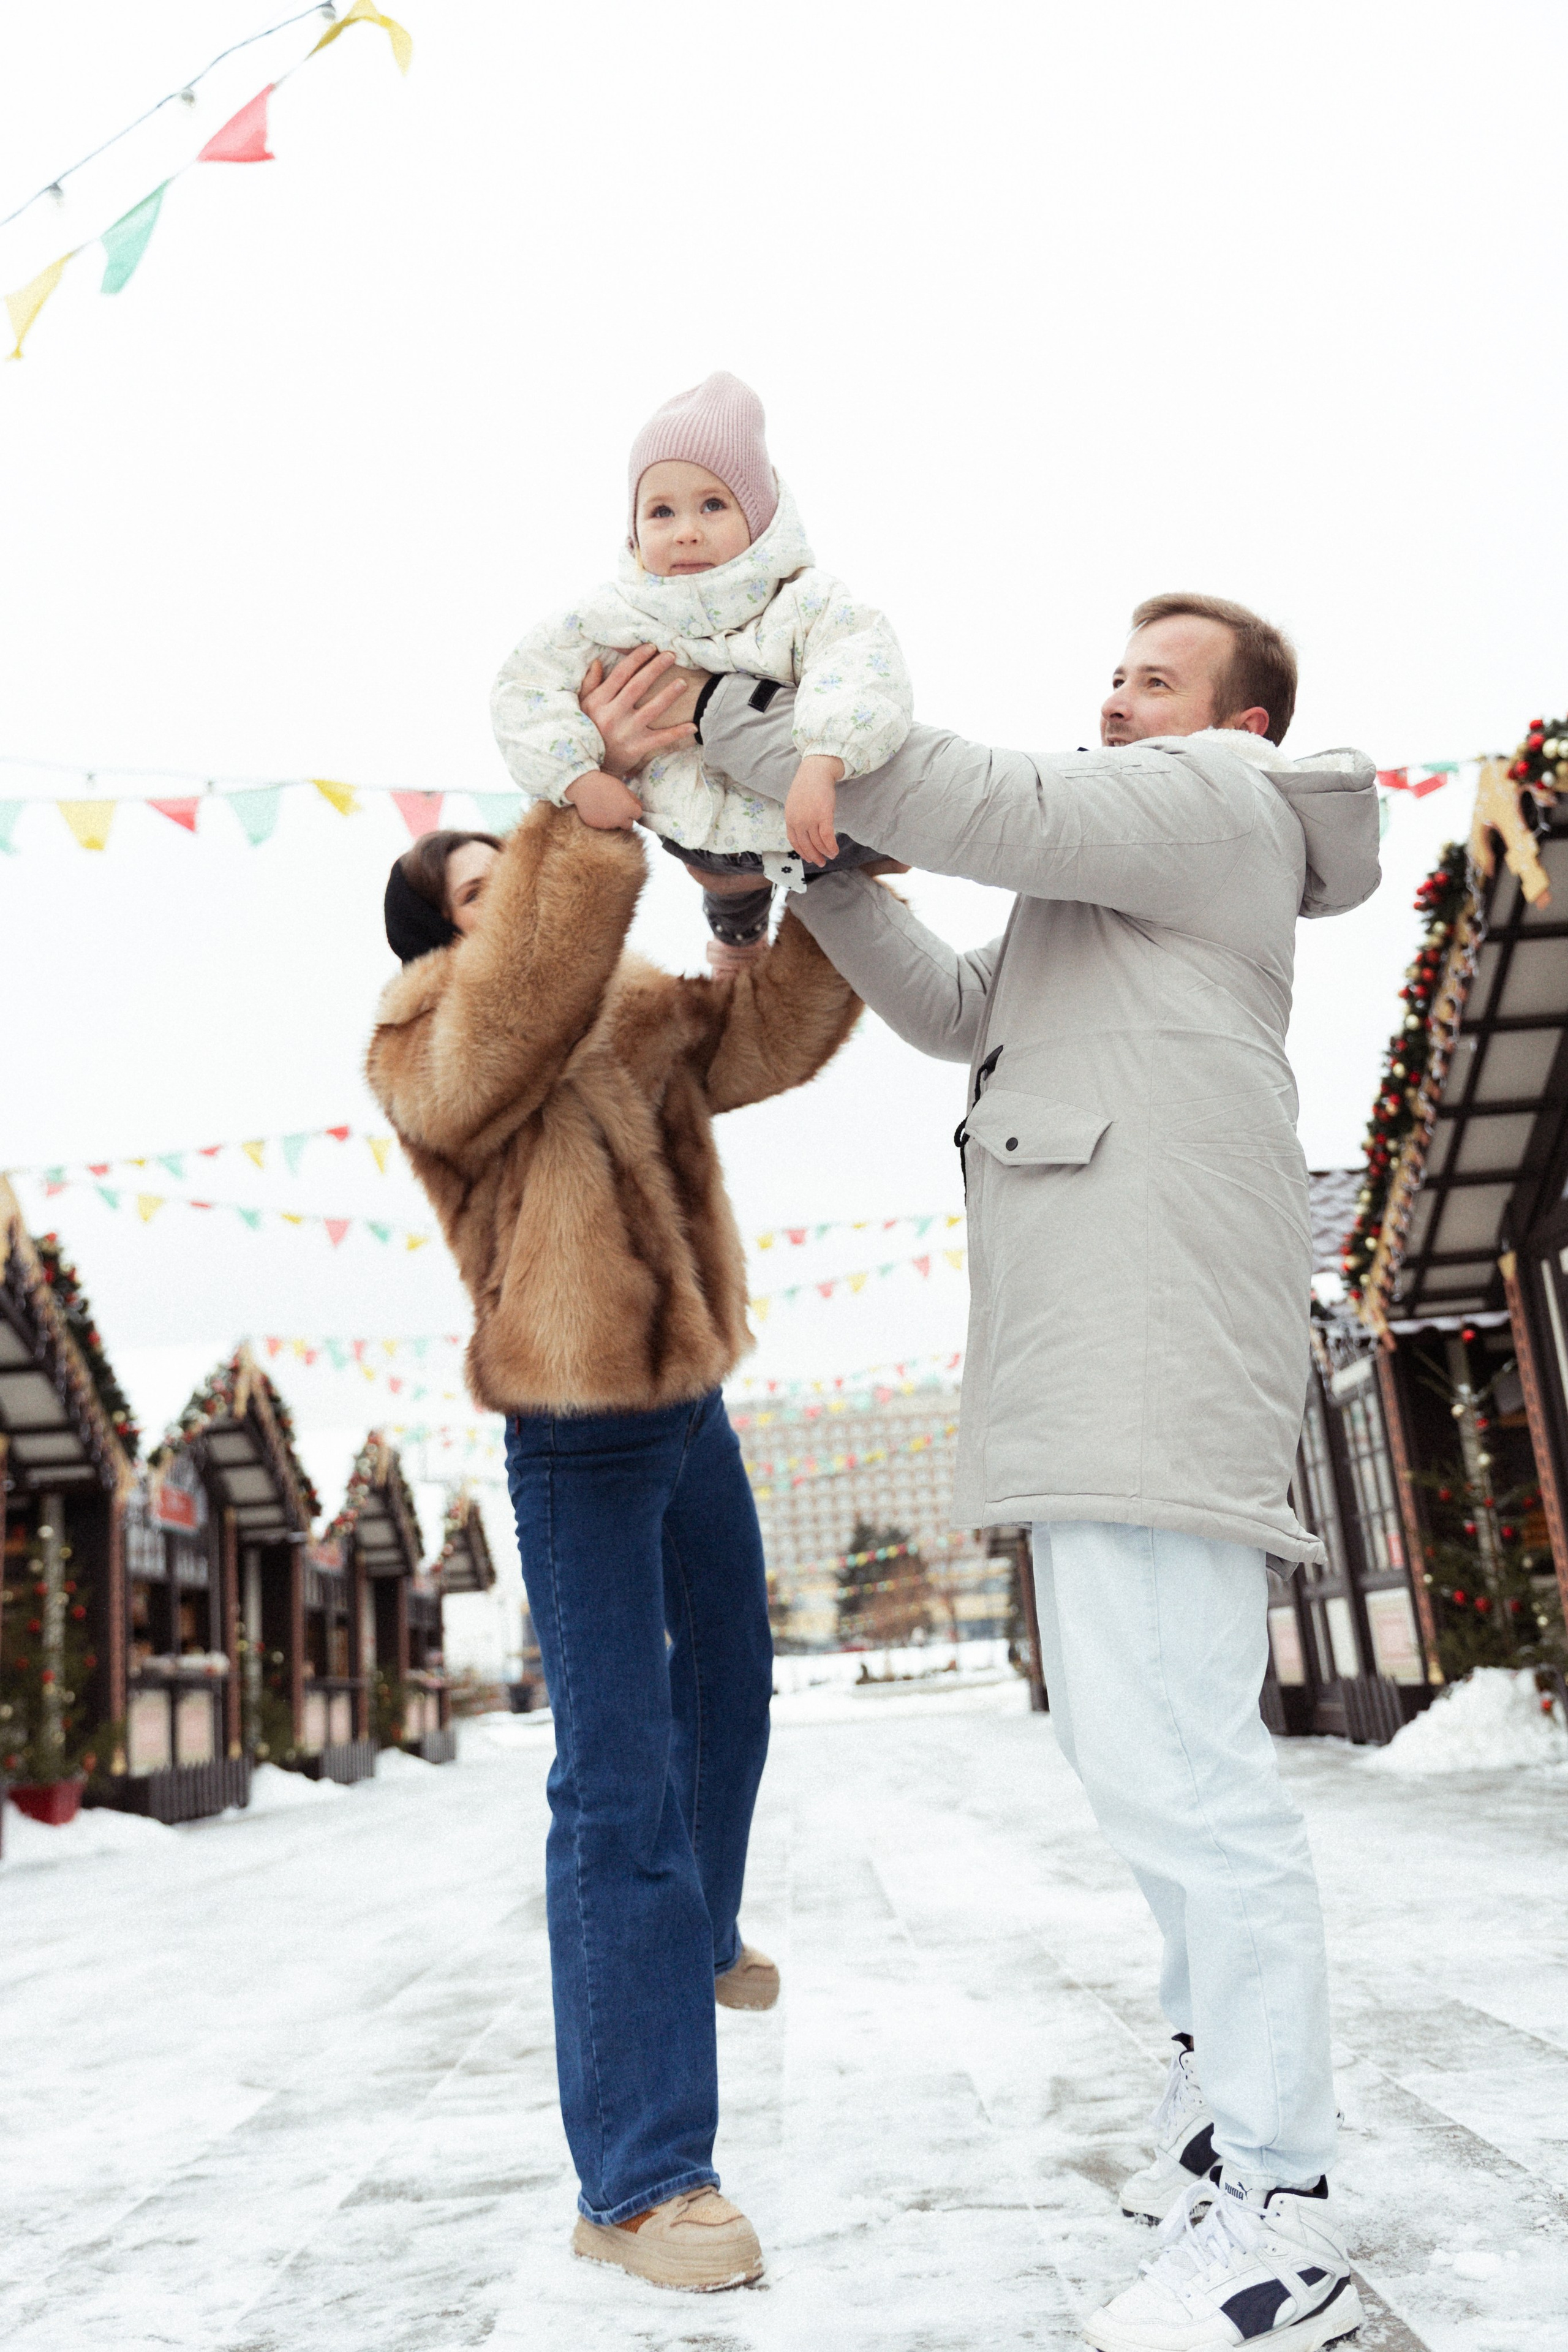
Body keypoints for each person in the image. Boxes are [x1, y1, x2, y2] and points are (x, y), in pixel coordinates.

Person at [586, 596, 1379, 2352]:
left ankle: (1289, 2209)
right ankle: (1217, 2121)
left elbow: (987, 797)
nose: (1119, 696)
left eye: (1155, 677)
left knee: (1185, 1762)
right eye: (1117, 672)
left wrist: (740, 713)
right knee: (1135, 1748)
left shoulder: (1215, 803)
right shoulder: (1115, 872)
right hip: (1101, 1337)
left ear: (1237, 723)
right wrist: (837, 874)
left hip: (1159, 1326)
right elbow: (957, 1010)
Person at [366, 810, 861, 2293]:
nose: (514, 896)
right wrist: (573, 840)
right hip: (575, 1415)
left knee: (734, 1689)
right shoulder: (429, 1036)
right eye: (482, 888)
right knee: (616, 1781)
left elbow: (756, 1041)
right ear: (450, 932)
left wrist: (780, 903)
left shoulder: (625, 1004)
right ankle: (639, 2177)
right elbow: (510, 1015)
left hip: (688, 1390)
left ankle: (693, 1937)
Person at [489, 370, 913, 957]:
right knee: (725, 891)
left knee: (884, 842)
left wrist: (825, 759)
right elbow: (524, 688)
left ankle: (874, 871)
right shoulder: (607, 616)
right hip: (701, 840)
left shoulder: (804, 602)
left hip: (815, 817)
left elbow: (866, 666)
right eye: (661, 512)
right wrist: (577, 774)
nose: (686, 532)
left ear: (761, 519)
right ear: (634, 531)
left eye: (713, 505)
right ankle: (737, 942)